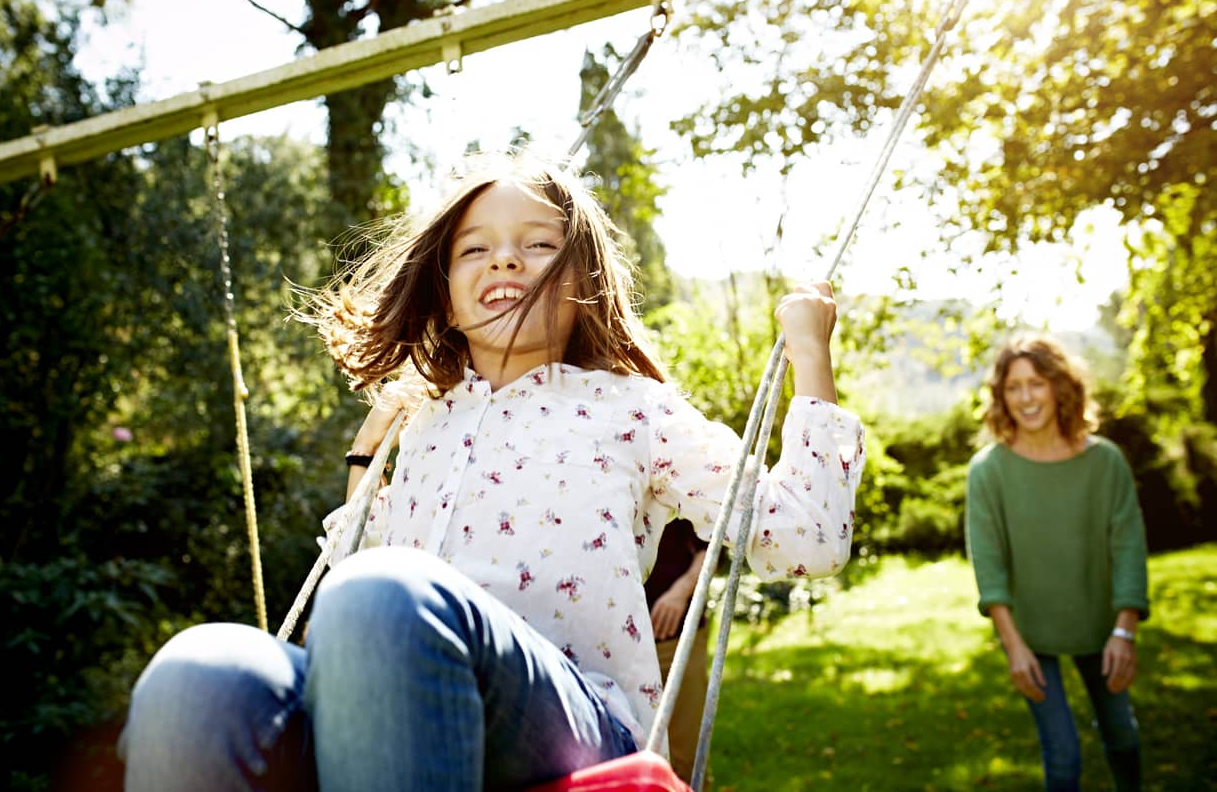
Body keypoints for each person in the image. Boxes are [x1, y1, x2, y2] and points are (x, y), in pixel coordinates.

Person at [119, 152, 865, 791]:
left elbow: (809, 538)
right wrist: (367, 453)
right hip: (402, 691)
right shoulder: (423, 424)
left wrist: (810, 355)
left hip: (574, 725)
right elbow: (337, 605)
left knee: (385, 596)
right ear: (443, 292)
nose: (505, 259)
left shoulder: (632, 410)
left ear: (585, 282)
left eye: (537, 244)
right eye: (475, 250)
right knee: (202, 671)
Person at [965, 334, 1149, 792]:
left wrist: (1125, 630)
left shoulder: (1106, 462)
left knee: (1123, 736)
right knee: (1063, 757)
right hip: (1030, 634)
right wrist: (1012, 645)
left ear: (1060, 387)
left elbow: (1128, 546)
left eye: (1037, 383)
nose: (1026, 398)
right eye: (1014, 387)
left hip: (1101, 626)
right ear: (1001, 397)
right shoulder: (987, 470)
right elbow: (987, 564)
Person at [645, 519, 710, 787]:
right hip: (610, 642)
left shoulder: (677, 476)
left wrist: (681, 592)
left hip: (674, 640)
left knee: (685, 759)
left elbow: (711, 545)